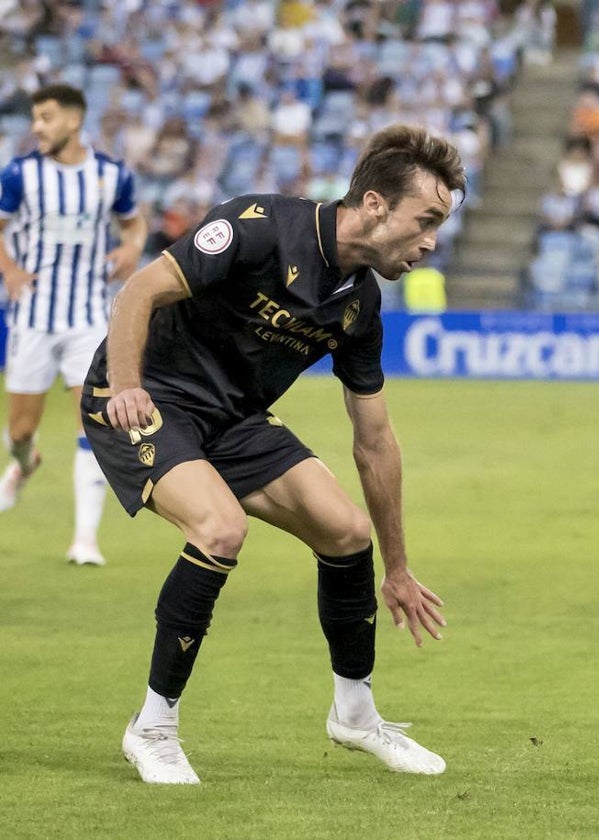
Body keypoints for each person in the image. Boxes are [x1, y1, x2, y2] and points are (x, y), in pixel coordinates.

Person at [81, 124, 464, 784]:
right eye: (425, 220)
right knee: (220, 527)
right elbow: (139, 290)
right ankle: (153, 727)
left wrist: (397, 567)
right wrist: (126, 386)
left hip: (234, 421)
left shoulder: (360, 307)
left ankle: (355, 713)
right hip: (145, 396)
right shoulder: (258, 226)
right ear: (374, 204)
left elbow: (374, 442)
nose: (430, 242)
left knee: (346, 532)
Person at [0, 83, 147, 566]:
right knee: (20, 430)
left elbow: (133, 222)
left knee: (95, 422)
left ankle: (85, 539)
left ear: (72, 120)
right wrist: (12, 270)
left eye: (45, 117)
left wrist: (129, 247)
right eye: (35, 119)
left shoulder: (110, 175)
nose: (36, 127)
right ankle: (25, 461)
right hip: (33, 318)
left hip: (88, 317)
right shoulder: (20, 175)